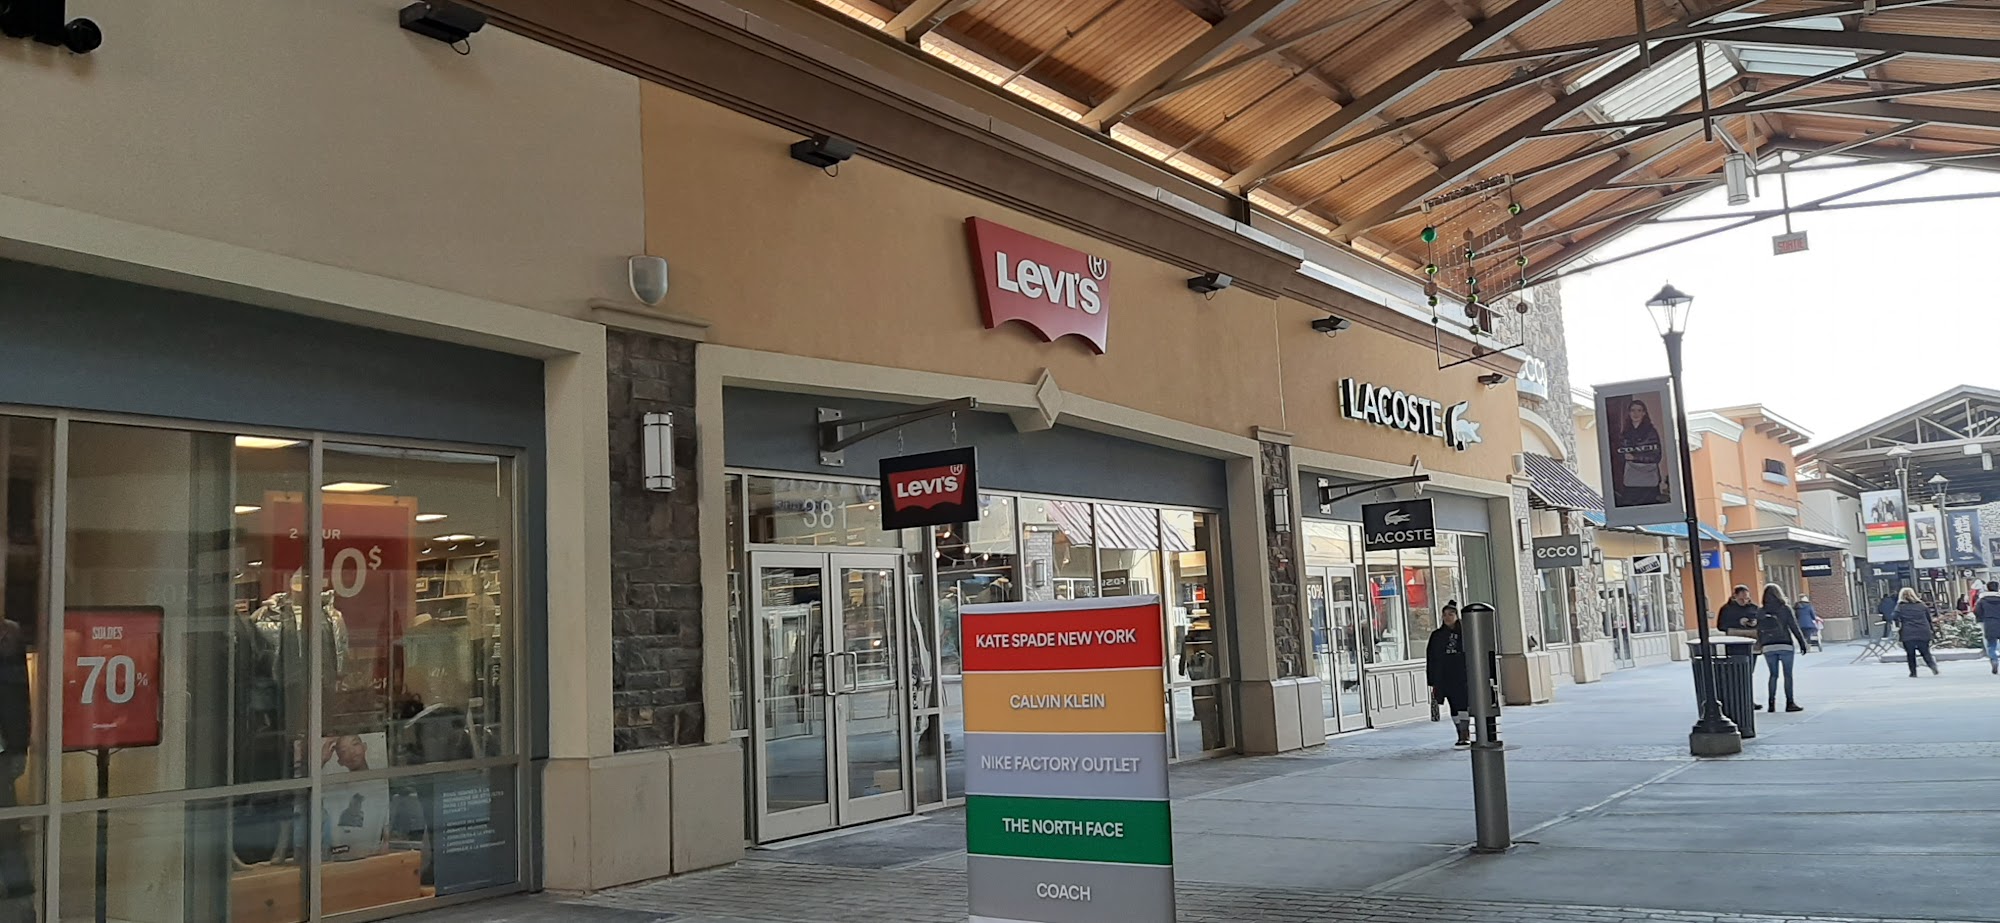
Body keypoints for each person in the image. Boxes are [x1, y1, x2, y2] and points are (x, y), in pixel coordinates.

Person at [1757, 584, 1810, 712]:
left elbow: (1758, 630)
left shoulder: (1761, 611)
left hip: (1768, 646)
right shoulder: (1785, 609)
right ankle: (1790, 703)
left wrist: (1761, 644)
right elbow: (1794, 626)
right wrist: (1802, 643)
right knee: (1787, 675)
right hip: (1785, 644)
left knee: (1773, 675)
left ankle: (1771, 703)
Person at [1426, 602, 1470, 747]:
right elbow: (1431, 658)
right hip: (1444, 675)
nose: (1447, 617)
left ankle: (1465, 732)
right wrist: (1432, 680)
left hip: (1462, 674)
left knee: (1463, 704)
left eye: (1451, 614)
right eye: (1444, 615)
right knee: (1453, 705)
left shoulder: (1465, 633)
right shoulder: (1437, 635)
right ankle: (1459, 732)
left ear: (1457, 616)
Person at [1612, 399, 1666, 506]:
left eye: (1639, 410)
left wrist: (1634, 457)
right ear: (1629, 413)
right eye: (1633, 410)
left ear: (1644, 413)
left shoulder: (1651, 432)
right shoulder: (1624, 433)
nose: (1635, 414)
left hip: (1649, 480)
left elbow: (1656, 456)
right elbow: (1619, 455)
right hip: (1631, 479)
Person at [1892, 587, 1940, 677]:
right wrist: (1932, 631)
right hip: (1923, 631)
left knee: (1910, 654)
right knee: (1925, 652)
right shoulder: (1922, 605)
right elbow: (1929, 619)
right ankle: (1933, 667)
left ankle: (1913, 672)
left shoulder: (1900, 606)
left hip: (1908, 632)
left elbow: (1894, 617)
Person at [1975, 581, 2000, 675]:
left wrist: (1981, 620)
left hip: (1989, 623)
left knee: (1991, 645)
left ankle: (1994, 660)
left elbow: (1977, 612)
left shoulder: (1982, 600)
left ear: (1988, 588)